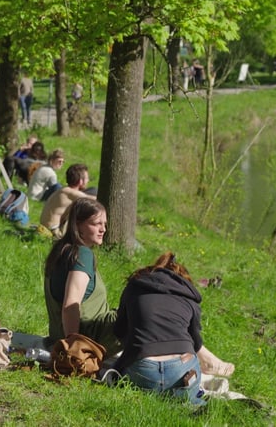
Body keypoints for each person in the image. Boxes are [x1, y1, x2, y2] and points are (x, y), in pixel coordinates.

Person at [111, 252, 208, 405]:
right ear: (183, 279)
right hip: (182, 369)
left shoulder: (135, 287)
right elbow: (195, 344)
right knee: (189, 384)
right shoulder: (189, 298)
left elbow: (119, 330)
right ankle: (190, 400)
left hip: (143, 366)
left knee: (122, 371)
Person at [43, 198, 119, 352]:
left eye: (104, 224)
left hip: (58, 336)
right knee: (142, 312)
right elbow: (70, 305)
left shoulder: (61, 250)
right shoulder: (82, 254)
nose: (103, 229)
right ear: (78, 225)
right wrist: (73, 349)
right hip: (91, 339)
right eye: (97, 224)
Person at [40, 164, 96, 234]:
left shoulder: (63, 190)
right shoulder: (69, 193)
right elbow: (94, 200)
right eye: (87, 178)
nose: (88, 181)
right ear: (80, 181)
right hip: (52, 230)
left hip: (46, 227)